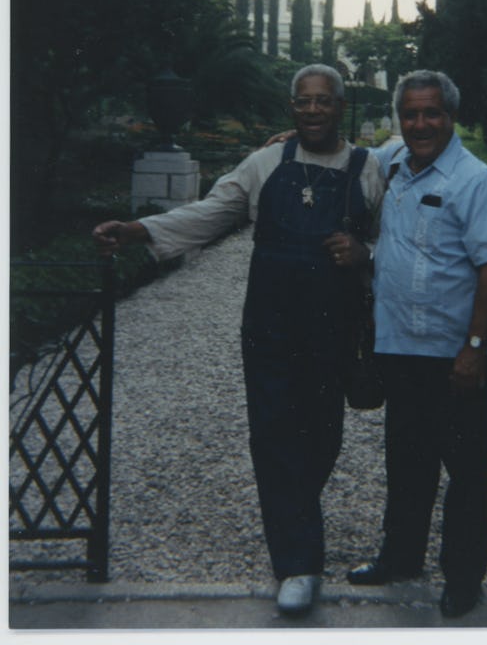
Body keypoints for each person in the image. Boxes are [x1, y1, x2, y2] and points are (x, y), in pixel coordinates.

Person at [92, 65, 385, 615]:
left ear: (341, 106)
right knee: (274, 438)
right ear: (291, 107)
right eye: (304, 101)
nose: (314, 110)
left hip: (333, 329)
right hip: (270, 327)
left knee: (322, 440)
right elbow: (212, 212)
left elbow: (393, 244)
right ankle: (298, 565)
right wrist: (139, 230)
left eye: (324, 101)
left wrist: (366, 253)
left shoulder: (370, 170)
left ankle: (296, 521)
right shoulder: (264, 163)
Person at [346, 69, 487, 620]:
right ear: (401, 118)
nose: (421, 123)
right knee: (407, 460)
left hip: (455, 356)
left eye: (432, 113)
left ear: (451, 116)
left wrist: (474, 346)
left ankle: (463, 578)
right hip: (400, 348)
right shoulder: (393, 163)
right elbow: (348, 156)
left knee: (465, 470)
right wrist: (289, 144)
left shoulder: (475, 180)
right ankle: (400, 558)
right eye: (411, 113)